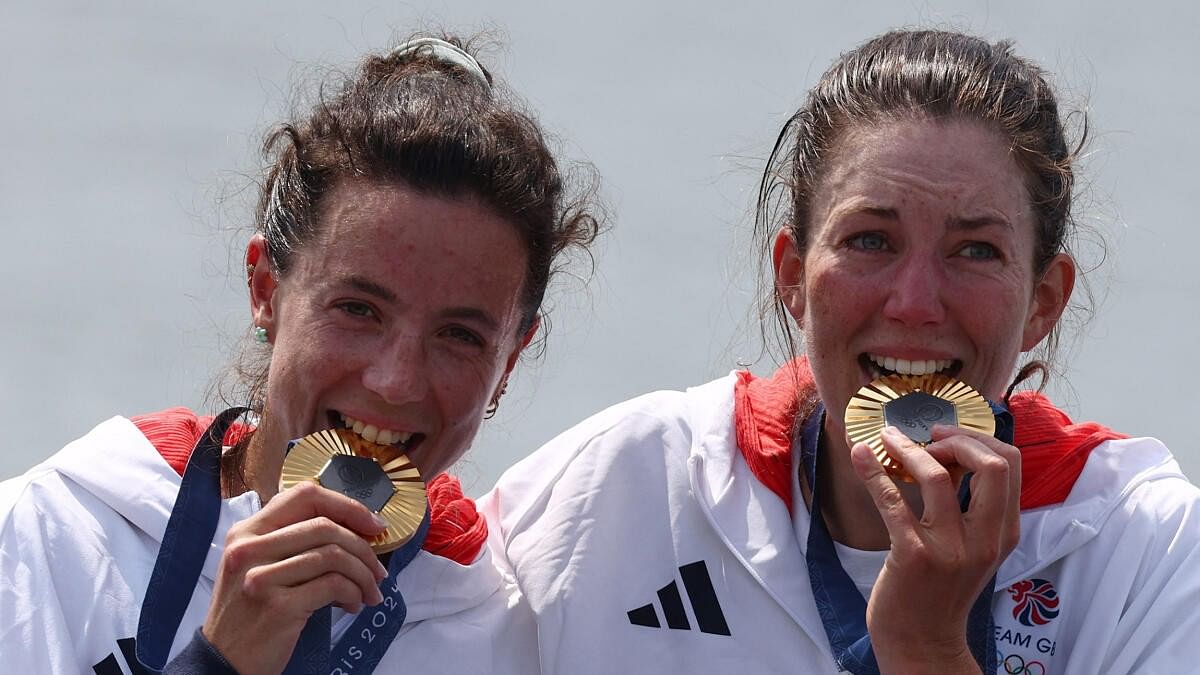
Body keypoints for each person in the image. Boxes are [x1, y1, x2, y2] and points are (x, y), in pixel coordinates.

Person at [482, 29, 1200, 674]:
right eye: (870, 240)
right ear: (792, 274)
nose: (915, 302)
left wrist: (928, 653)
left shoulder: (1147, 551)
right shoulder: (630, 489)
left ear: (1044, 299)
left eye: (976, 250)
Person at [0, 35, 600, 674]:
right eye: (358, 310)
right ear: (266, 289)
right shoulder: (54, 540)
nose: (395, 382)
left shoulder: (510, 634)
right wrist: (219, 662)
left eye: (459, 336)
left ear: (508, 363)